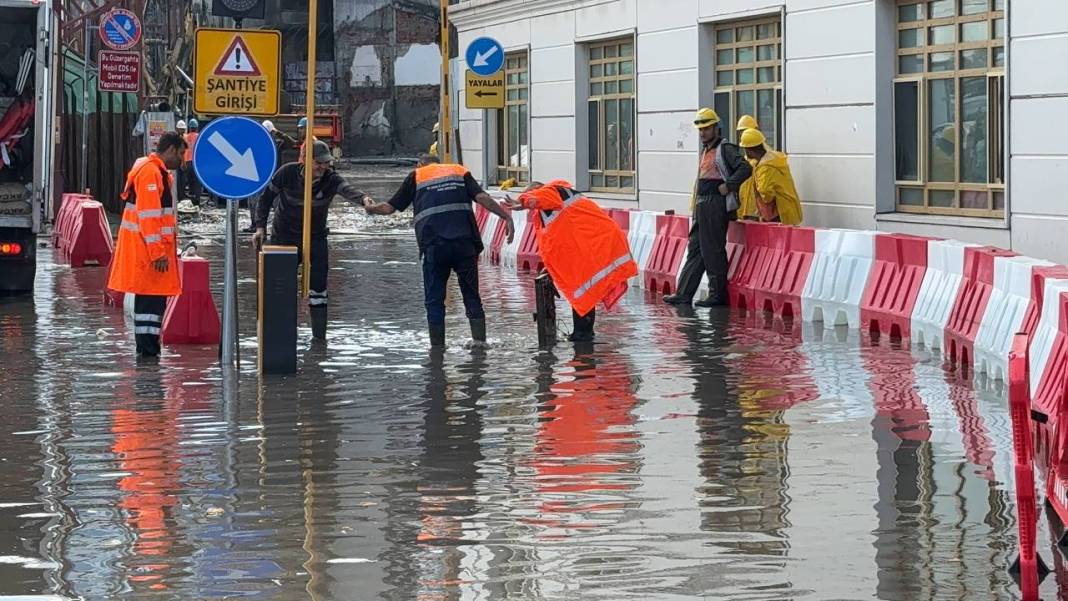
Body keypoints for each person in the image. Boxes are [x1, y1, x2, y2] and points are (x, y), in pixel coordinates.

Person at [364, 154, 515, 348]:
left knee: (434, 299)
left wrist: (370, 208)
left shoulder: (416, 176)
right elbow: (483, 197)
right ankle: (479, 342)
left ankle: (437, 349)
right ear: (439, 163)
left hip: (435, 246)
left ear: (421, 165)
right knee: (471, 294)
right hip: (464, 244)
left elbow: (389, 208)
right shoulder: (459, 171)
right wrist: (506, 217)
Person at [252, 140, 370, 340]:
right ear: (305, 160)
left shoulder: (330, 179)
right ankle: (279, 337)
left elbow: (348, 190)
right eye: (318, 162)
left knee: (318, 288)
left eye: (326, 163)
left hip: (316, 239)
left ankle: (319, 341)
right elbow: (264, 199)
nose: (323, 167)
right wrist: (260, 227)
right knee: (280, 287)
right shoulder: (286, 173)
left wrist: (365, 200)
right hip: (284, 238)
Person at [507, 180, 637, 342]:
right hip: (597, 243)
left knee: (582, 290)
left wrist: (523, 202)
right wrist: (550, 269)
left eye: (529, 194)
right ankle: (583, 335)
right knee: (584, 291)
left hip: (599, 245)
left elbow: (542, 197)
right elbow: (554, 246)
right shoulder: (554, 209)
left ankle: (582, 336)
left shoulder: (550, 192)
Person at [107, 132, 187, 358]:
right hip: (149, 254)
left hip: (148, 252)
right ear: (170, 149)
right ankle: (148, 354)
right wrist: (158, 253)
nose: (182, 160)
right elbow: (149, 217)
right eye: (181, 153)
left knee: (151, 305)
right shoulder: (152, 174)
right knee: (150, 306)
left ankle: (148, 352)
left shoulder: (155, 172)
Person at [664, 108, 752, 307]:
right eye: (700, 129)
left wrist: (729, 185)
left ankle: (717, 294)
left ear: (715, 128)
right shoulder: (706, 150)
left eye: (706, 128)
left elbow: (745, 168)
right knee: (695, 249)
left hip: (715, 204)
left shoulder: (725, 148)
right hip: (702, 204)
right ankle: (684, 293)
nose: (703, 132)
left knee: (713, 250)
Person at [738, 128, 803, 226]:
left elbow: (766, 194)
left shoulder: (765, 167)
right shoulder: (773, 159)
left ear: (749, 150)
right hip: (786, 210)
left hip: (778, 215)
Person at [182, 118, 202, 205]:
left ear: (189, 128)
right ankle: (197, 199)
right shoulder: (200, 136)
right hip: (197, 163)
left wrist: (183, 163)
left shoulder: (185, 137)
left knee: (190, 182)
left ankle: (192, 197)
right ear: (197, 127)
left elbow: (182, 151)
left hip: (188, 162)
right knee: (197, 182)